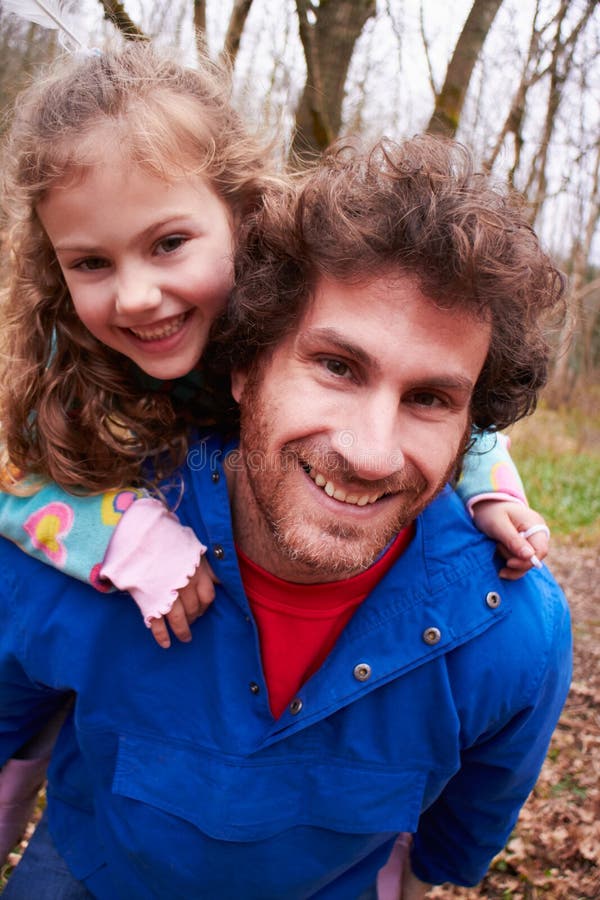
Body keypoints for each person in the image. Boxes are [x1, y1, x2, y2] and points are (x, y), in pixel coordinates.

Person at [0, 42, 548, 863]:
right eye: (90, 263)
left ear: (244, 216)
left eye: (169, 243)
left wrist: (492, 486)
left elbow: (444, 396)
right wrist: (112, 528)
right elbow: (13, 472)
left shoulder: (306, 280)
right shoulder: (67, 355)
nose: (139, 295)